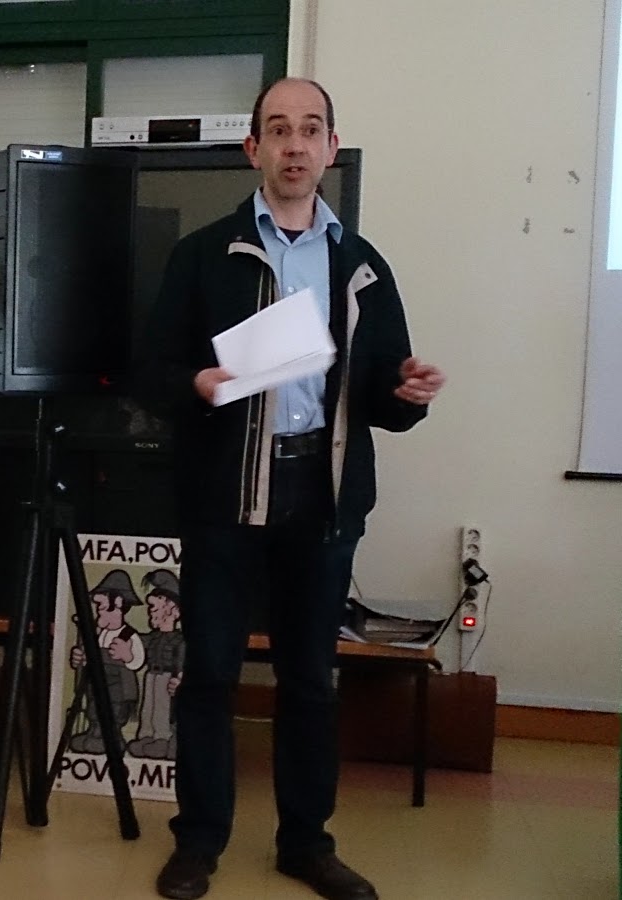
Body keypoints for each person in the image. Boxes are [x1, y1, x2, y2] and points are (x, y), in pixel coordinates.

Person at [139, 77, 446, 900]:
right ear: (254, 150)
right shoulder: (204, 254)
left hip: (323, 493)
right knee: (210, 673)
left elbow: (384, 396)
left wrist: (408, 392)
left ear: (330, 149)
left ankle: (306, 843)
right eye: (278, 130)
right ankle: (198, 840)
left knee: (310, 678)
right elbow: (152, 371)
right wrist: (196, 384)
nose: (295, 145)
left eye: (310, 129)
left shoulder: (362, 265)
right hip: (225, 494)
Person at [67, 568, 145, 755]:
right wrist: (79, 658)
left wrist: (128, 656)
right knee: (94, 710)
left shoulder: (129, 635)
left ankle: (112, 740)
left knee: (112, 713)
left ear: (118, 603)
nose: (98, 611)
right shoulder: (100, 634)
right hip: (96, 683)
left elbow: (137, 661)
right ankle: (94, 733)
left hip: (118, 688)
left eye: (101, 606)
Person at [130, 569, 184, 761]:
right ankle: (146, 736)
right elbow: (137, 643)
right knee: (148, 708)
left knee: (162, 709)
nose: (151, 611)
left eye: (155, 607)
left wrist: (180, 678)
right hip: (151, 675)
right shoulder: (152, 637)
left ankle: (162, 738)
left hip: (166, 677)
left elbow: (182, 659)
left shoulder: (178, 640)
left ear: (173, 609)